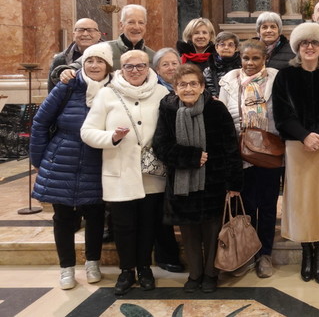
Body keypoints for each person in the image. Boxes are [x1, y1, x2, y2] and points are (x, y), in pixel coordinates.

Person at [81, 50, 169, 296]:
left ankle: (145, 269)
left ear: (148, 67)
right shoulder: (107, 94)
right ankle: (126, 271)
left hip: (152, 175)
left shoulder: (162, 92)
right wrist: (113, 137)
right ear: (120, 69)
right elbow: (87, 132)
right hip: (119, 174)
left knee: (148, 225)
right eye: (129, 67)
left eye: (140, 66)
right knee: (123, 226)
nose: (135, 71)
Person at [153, 64, 243, 293]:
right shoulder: (168, 109)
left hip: (213, 182)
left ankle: (211, 274)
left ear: (202, 87)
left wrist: (233, 183)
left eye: (194, 84)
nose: (189, 88)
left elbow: (230, 147)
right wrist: (191, 156)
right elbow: (161, 146)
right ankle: (195, 274)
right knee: (190, 232)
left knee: (212, 232)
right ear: (175, 89)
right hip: (182, 182)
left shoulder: (216, 109)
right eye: (183, 84)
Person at [30, 42, 113, 289]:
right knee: (63, 217)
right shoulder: (66, 86)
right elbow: (40, 122)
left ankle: (92, 262)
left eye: (100, 61)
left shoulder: (115, 88)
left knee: (96, 215)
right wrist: (39, 159)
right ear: (82, 64)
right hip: (62, 158)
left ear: (108, 65)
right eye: (90, 61)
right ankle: (66, 267)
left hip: (97, 159)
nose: (95, 65)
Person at [272, 23, 319, 284]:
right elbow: (282, 115)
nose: (309, 47)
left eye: (314, 43)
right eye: (304, 43)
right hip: (296, 146)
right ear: (297, 47)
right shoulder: (285, 77)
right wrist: (304, 135)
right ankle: (306, 251)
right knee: (302, 200)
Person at [219, 39, 281, 279]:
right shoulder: (229, 83)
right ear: (239, 58)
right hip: (241, 153)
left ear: (264, 58)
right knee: (244, 207)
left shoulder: (275, 79)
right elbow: (224, 117)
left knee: (266, 206)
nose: (251, 63)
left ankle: (264, 254)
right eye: (246, 58)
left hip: (269, 151)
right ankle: (245, 253)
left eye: (256, 58)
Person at [150, 47, 185, 273]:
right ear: (156, 69)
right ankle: (166, 253)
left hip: (183, 154)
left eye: (174, 63)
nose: (171, 68)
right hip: (158, 154)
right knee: (158, 206)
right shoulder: (153, 90)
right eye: (165, 64)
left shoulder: (187, 85)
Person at [48, 18, 102, 91]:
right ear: (74, 35)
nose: (85, 34)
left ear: (99, 35)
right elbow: (52, 90)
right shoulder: (61, 59)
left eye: (90, 30)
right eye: (80, 30)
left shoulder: (111, 55)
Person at [203, 31, 241, 97]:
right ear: (216, 47)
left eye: (230, 45)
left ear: (236, 48)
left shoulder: (242, 68)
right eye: (222, 44)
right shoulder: (208, 71)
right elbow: (207, 91)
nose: (226, 47)